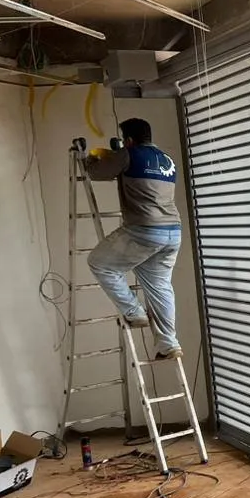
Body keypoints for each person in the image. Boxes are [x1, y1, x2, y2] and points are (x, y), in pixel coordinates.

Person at [84, 118, 184, 359]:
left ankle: (134, 312)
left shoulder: (128, 154)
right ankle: (169, 345)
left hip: (144, 230)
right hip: (172, 232)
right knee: (160, 287)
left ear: (128, 139)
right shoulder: (167, 159)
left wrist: (90, 159)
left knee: (100, 263)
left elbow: (98, 173)